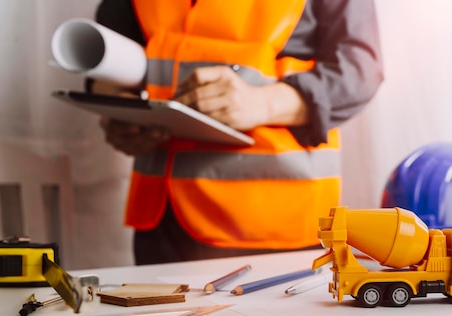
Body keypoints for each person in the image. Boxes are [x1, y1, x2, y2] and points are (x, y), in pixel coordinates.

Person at [90, 0, 383, 265]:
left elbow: (360, 71)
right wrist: (115, 107)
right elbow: (109, 51)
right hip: (163, 221)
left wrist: (263, 103)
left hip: (274, 222)